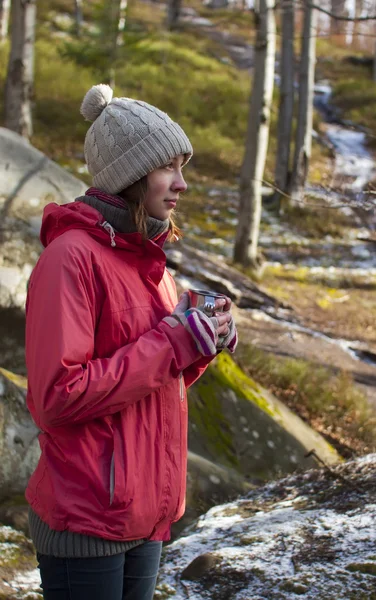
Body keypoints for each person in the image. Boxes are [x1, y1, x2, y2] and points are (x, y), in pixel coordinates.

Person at [25, 84, 238, 600]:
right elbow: (58, 396)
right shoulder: (70, 259)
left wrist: (201, 342)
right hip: (87, 517)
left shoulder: (147, 258)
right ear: (130, 174)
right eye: (169, 168)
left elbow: (153, 379)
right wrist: (172, 343)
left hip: (146, 514)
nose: (182, 184)